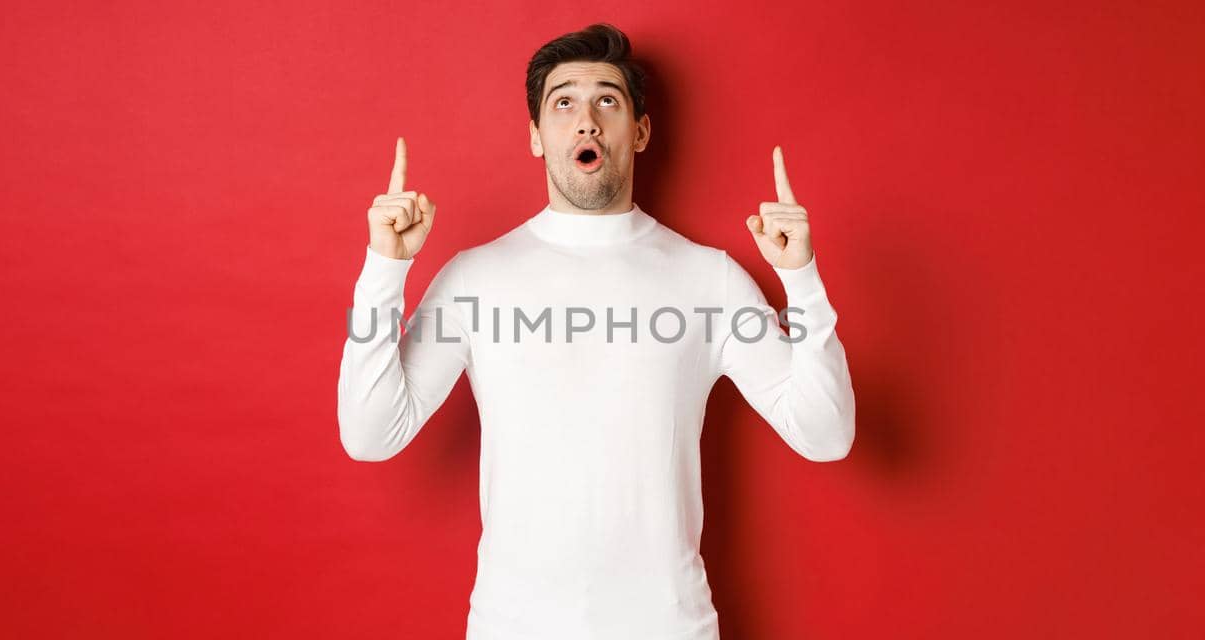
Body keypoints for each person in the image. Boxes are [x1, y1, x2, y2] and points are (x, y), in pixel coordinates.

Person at [337, 23, 856, 640]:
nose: (586, 120)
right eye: (564, 103)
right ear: (536, 136)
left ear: (639, 132)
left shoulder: (708, 279)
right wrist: (383, 270)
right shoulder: (474, 278)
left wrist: (801, 280)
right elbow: (371, 435)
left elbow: (826, 436)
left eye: (607, 99)